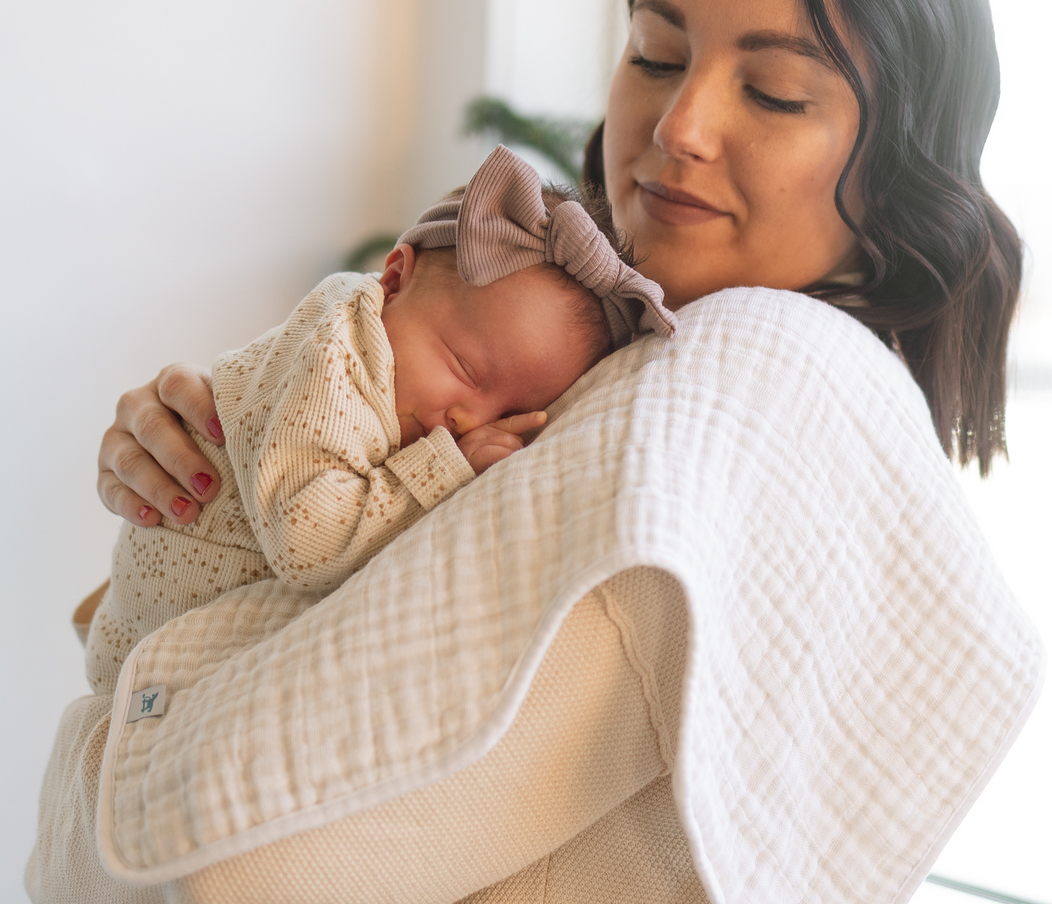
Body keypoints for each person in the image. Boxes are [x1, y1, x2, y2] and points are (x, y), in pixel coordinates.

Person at [30, 0, 1039, 904]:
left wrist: (115, 732)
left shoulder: (745, 387)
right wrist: (202, 465)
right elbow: (133, 620)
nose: (680, 127)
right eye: (655, 54)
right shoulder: (607, 349)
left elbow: (249, 855)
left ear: (904, 163)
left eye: (777, 92)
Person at [82, 143, 676, 696]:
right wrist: (443, 468)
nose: (468, 422)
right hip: (146, 650)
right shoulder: (338, 350)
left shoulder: (399, 365)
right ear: (393, 280)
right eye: (465, 368)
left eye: (510, 414)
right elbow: (305, 539)